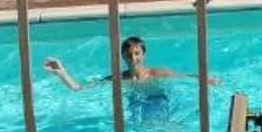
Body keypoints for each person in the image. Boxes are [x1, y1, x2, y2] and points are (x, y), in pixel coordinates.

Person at [43, 36, 217, 91]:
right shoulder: (118, 79)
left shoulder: (157, 73)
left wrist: (206, 79)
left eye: (137, 54)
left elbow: (186, 77)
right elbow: (80, 89)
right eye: (128, 55)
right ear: (123, 56)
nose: (133, 58)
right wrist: (61, 72)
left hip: (157, 102)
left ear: (144, 54)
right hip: (135, 108)